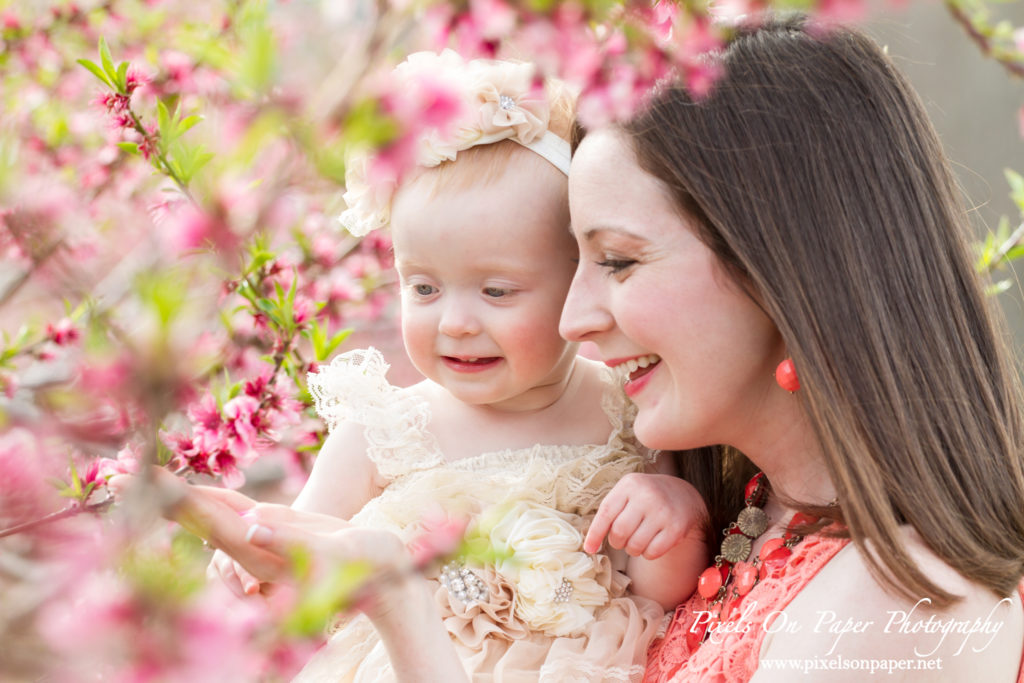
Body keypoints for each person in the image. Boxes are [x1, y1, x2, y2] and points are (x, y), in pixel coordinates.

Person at [157, 13, 1024, 682]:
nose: (571, 318)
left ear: (780, 266)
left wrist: (399, 593)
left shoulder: (908, 602)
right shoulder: (746, 511)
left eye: (614, 260)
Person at [206, 49, 708, 682]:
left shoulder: (627, 411)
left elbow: (659, 595)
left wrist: (673, 517)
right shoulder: (383, 429)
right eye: (423, 289)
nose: (455, 322)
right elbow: (309, 566)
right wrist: (260, 566)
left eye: (496, 291)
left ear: (578, 285)